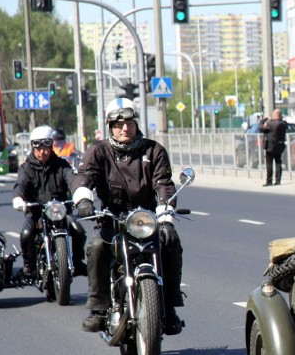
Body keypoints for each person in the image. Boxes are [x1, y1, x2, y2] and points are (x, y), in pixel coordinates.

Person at [72, 98, 184, 335]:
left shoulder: (153, 150)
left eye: (130, 123)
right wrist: (83, 199)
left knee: (170, 241)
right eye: (118, 123)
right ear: (110, 126)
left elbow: (163, 183)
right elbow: (85, 176)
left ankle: (170, 306)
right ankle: (99, 309)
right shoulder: (99, 151)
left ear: (136, 124)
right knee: (96, 248)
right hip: (113, 219)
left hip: (147, 220)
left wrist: (166, 217)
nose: (125, 128)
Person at [11, 125, 87, 280]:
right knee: (26, 234)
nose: (42, 152)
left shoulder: (62, 165)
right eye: (38, 148)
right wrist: (18, 198)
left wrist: (80, 194)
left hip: (60, 211)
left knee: (79, 231)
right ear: (32, 147)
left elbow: (72, 181)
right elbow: (21, 184)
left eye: (46, 147)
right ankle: (29, 267)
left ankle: (78, 262)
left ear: (51, 146)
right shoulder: (26, 168)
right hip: (36, 213)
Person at [261, 109, 288, 186]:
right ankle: (278, 181)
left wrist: (264, 120)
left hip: (270, 146)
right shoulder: (283, 124)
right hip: (280, 146)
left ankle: (269, 181)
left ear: (275, 115)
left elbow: (261, 128)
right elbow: (283, 123)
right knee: (278, 162)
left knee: (269, 163)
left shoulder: (270, 124)